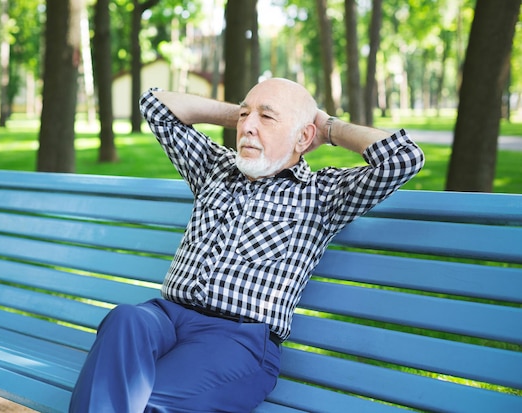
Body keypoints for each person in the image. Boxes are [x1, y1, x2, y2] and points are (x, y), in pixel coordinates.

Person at [69, 78, 425, 413]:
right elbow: (155, 105)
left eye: (267, 117)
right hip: (165, 318)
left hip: (236, 340)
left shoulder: (322, 194)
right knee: (125, 318)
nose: (247, 127)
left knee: (144, 403)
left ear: (304, 138)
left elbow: (404, 158)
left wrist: (327, 128)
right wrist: (244, 113)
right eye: (244, 116)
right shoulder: (213, 167)